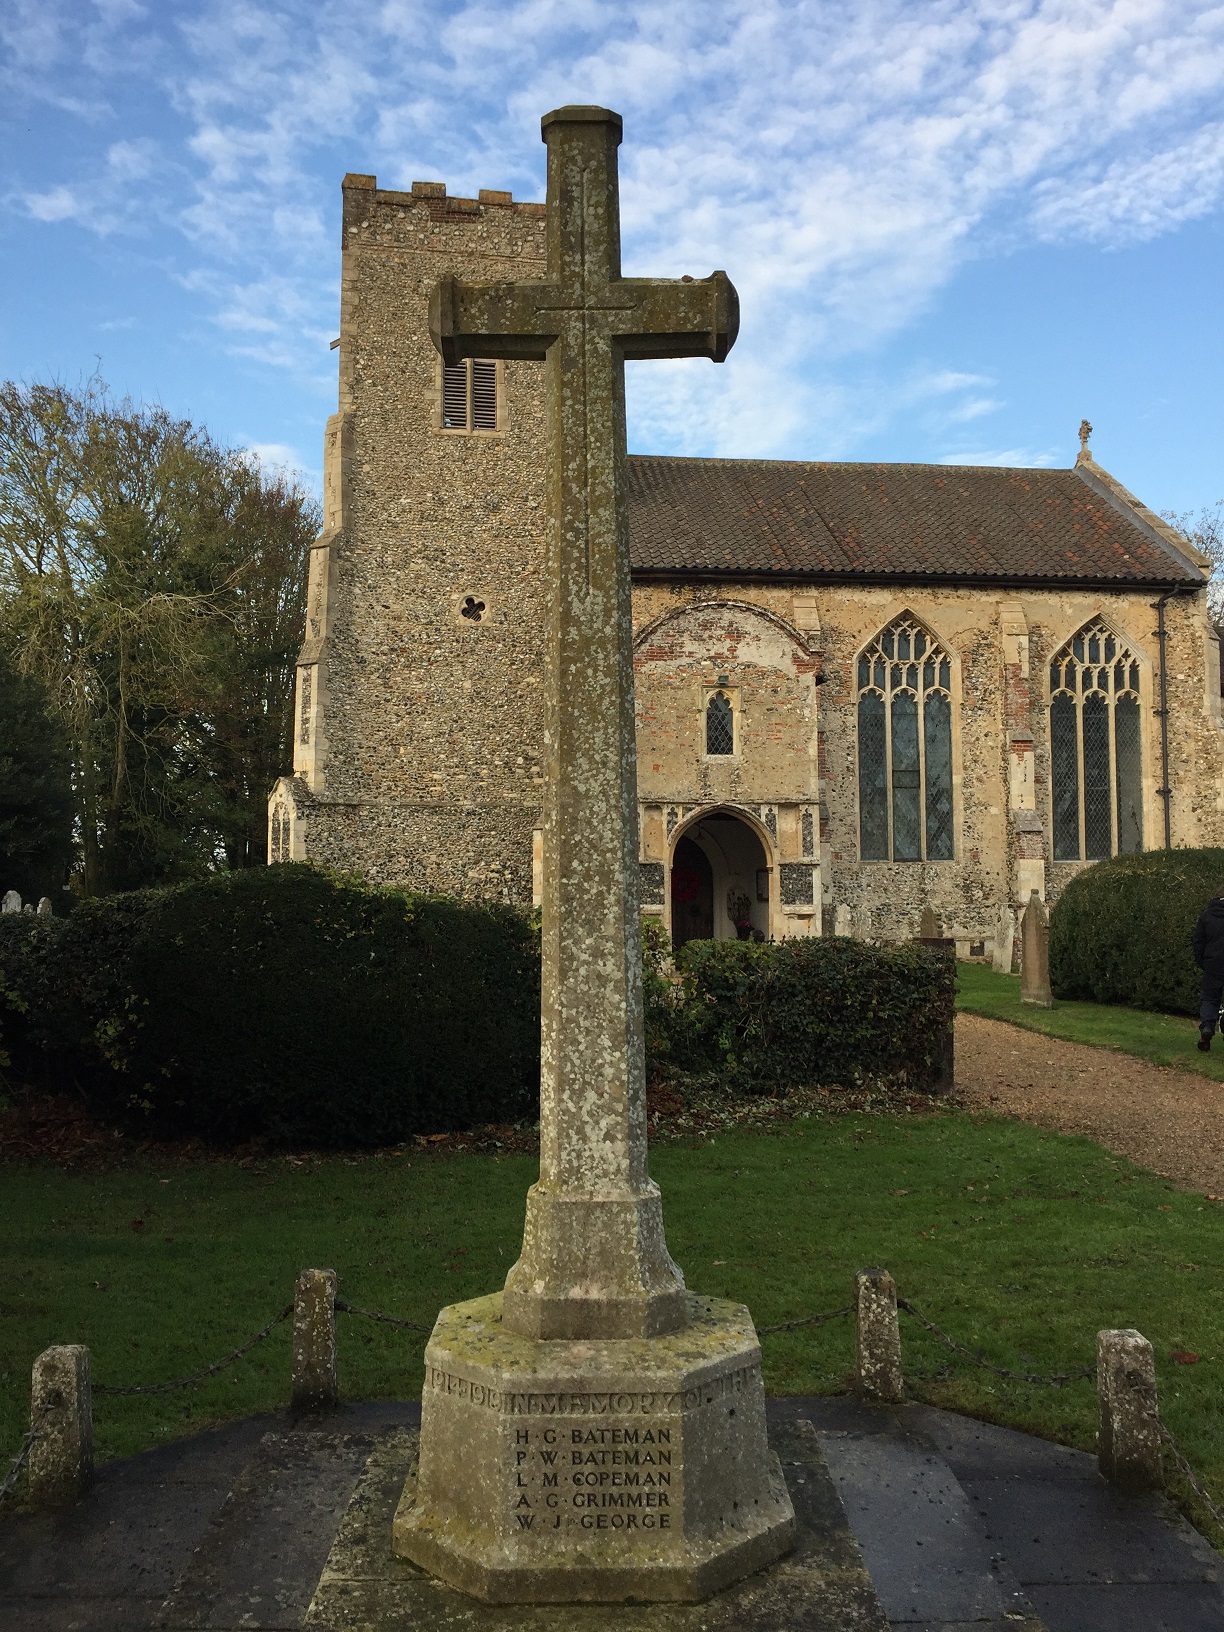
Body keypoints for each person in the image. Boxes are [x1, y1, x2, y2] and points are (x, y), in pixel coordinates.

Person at [1191, 889, 1224, 1050]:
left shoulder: (1207, 915)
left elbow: (1198, 941)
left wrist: (1203, 961)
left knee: (1209, 998)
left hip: (1213, 963)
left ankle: (1207, 1026)